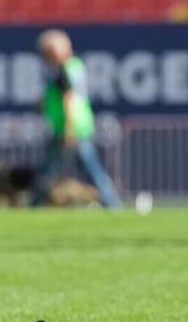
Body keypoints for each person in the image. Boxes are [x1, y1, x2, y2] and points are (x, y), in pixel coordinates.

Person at [31, 29, 121, 209]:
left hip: (69, 129)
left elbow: (68, 100)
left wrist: (69, 129)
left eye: (48, 52)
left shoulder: (63, 70)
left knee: (47, 172)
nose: (45, 57)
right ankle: (112, 204)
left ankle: (34, 205)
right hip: (79, 127)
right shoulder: (74, 66)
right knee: (92, 171)